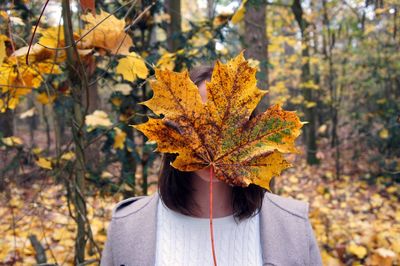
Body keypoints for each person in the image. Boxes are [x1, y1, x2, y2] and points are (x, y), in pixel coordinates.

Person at [100, 65, 323, 266]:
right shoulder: (127, 227)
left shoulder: (293, 227)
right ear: (172, 134)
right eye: (201, 125)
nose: (212, 139)